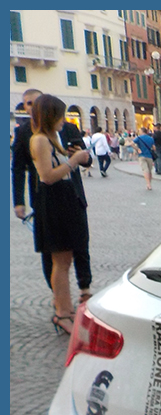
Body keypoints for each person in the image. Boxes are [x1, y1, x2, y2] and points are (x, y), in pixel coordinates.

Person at [12, 88, 93, 300]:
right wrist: (18, 201)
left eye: (34, 103)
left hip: (72, 194)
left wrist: (82, 158)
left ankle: (84, 288)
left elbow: (85, 157)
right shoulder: (27, 134)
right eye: (27, 104)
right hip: (47, 197)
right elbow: (19, 168)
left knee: (80, 245)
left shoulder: (68, 128)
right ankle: (60, 298)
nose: (30, 108)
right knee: (54, 254)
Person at [28, 94, 91, 335]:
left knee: (65, 260)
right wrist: (73, 160)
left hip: (64, 200)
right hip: (53, 201)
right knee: (60, 262)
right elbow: (47, 176)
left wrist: (73, 155)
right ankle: (62, 312)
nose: (64, 120)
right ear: (50, 116)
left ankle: (65, 309)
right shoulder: (40, 140)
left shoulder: (52, 138)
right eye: (61, 115)